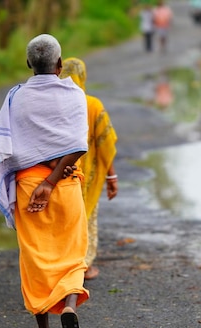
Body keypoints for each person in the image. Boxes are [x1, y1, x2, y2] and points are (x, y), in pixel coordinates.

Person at [0, 33, 89, 328]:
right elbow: (78, 146)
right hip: (66, 185)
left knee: (36, 260)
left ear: (29, 63)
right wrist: (54, 179)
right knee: (72, 255)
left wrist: (42, 182)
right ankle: (69, 306)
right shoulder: (74, 94)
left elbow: (6, 148)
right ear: (59, 64)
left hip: (30, 188)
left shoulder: (16, 97)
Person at [59, 57, 118, 280]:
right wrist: (112, 176)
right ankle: (83, 266)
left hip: (59, 175)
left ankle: (61, 268)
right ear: (83, 76)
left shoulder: (54, 104)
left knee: (63, 221)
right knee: (86, 219)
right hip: (88, 177)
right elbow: (106, 145)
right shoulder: (92, 105)